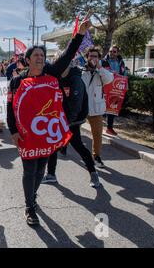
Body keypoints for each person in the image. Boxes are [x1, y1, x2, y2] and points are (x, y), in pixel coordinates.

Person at [7, 13, 91, 226]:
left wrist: (79, 35)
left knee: (41, 169)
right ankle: (29, 207)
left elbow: (68, 55)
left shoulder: (52, 73)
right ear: (27, 59)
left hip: (46, 133)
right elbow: (10, 108)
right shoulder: (17, 82)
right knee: (29, 170)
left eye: (42, 55)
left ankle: (32, 196)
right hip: (26, 134)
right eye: (36, 55)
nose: (40, 58)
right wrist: (13, 131)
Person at [42, 57, 102, 188]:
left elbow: (76, 106)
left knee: (78, 145)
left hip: (73, 120)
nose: (56, 68)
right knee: (53, 146)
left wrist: (66, 123)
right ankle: (51, 175)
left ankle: (93, 173)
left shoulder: (76, 80)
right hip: (61, 118)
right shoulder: (57, 77)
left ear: (67, 65)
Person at [82, 47, 114, 168]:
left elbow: (110, 79)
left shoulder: (101, 72)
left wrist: (99, 68)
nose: (93, 58)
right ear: (87, 57)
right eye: (91, 56)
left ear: (99, 58)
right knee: (72, 131)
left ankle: (96, 156)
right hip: (82, 108)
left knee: (97, 134)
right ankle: (65, 146)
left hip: (96, 108)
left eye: (96, 56)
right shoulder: (81, 71)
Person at [102, 45, 127, 136]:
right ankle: (98, 125)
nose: (112, 53)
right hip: (105, 86)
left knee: (113, 107)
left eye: (114, 51)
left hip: (116, 88)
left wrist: (125, 86)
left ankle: (109, 128)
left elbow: (124, 74)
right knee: (101, 107)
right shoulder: (104, 61)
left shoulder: (121, 62)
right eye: (111, 51)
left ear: (118, 53)